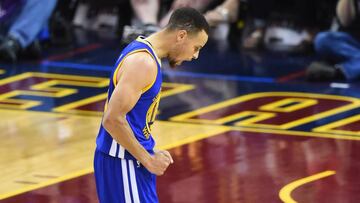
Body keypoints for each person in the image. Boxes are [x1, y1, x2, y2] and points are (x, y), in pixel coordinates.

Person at [94, 7, 209, 203]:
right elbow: (112, 119)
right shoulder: (143, 62)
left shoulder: (145, 52)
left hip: (130, 159)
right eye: (196, 47)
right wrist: (148, 159)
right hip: (123, 161)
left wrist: (148, 152)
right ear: (181, 36)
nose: (195, 55)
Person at [306, 0, 360, 81]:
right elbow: (345, 21)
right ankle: (355, 64)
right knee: (322, 39)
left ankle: (338, 71)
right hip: (354, 44)